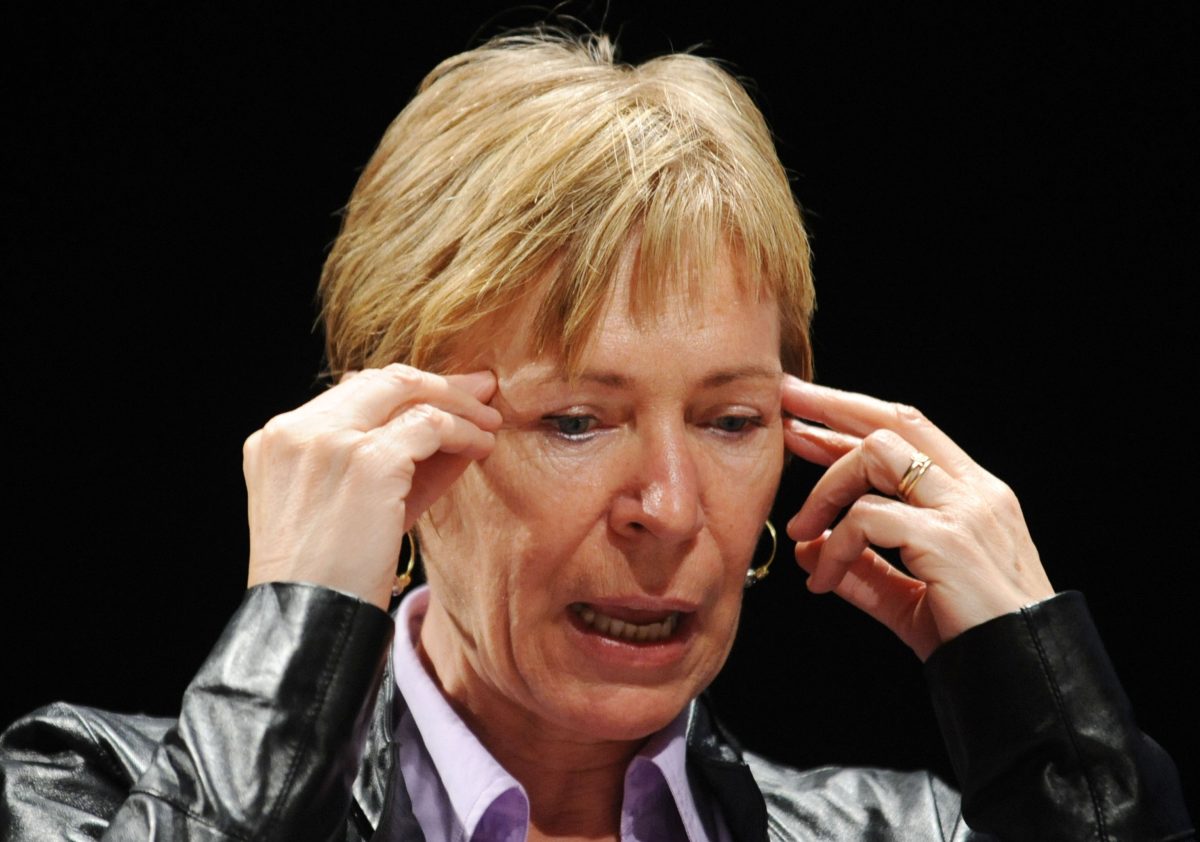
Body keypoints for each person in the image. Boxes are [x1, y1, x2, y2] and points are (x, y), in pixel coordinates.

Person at [1, 28, 1192, 842]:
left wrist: (1056, 731)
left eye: (731, 419)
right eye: (575, 419)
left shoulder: (916, 830)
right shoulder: (81, 791)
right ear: (388, 441)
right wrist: (298, 628)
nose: (669, 507)